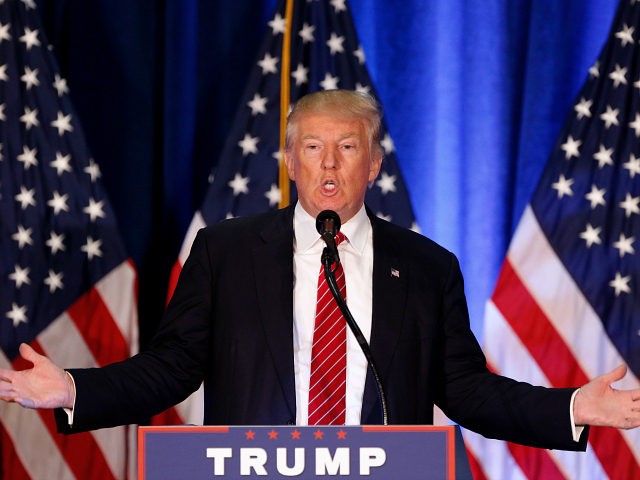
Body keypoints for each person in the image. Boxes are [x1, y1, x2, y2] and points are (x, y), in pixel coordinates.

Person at [0, 90, 638, 450]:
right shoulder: (225, 252)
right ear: (290, 163)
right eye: (312, 148)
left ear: (374, 165)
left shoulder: (426, 267)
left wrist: (576, 405)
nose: (329, 166)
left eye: (347, 148)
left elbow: (467, 389)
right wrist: (75, 391)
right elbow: (171, 369)